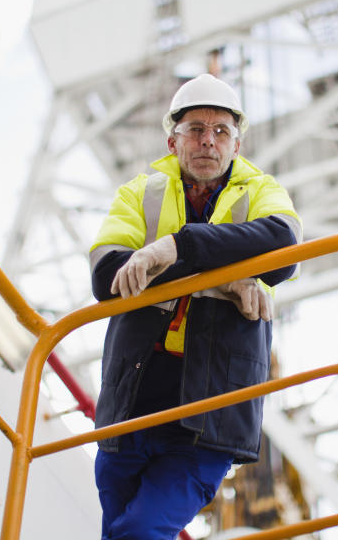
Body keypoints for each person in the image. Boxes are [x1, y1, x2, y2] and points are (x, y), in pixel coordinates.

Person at [88, 73, 302, 539]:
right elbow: (107, 276)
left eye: (221, 131)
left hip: (210, 415)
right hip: (132, 402)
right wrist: (228, 277)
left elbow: (284, 244)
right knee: (119, 532)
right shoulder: (140, 193)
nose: (209, 141)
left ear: (237, 146)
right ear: (172, 140)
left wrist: (172, 250)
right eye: (196, 130)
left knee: (141, 531)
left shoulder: (261, 190)